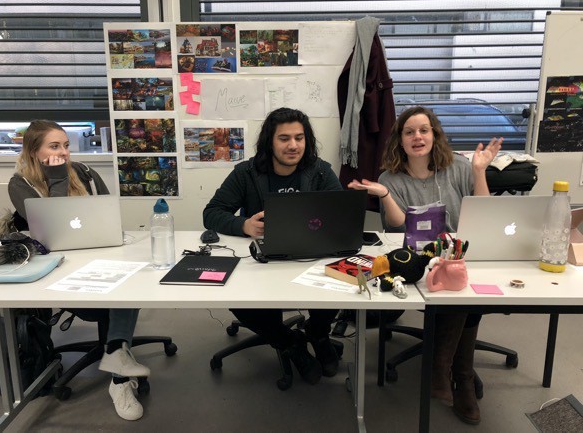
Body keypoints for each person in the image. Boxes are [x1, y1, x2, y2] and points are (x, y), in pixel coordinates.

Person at [348, 106, 503, 425]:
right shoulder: (390, 178)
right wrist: (385, 194)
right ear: (400, 140)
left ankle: (446, 371)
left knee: (461, 288)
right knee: (460, 294)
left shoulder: (459, 167)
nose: (417, 137)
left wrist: (479, 171)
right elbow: (396, 225)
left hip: (459, 254)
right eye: (409, 132)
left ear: (434, 135)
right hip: (417, 260)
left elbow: (484, 212)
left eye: (423, 130)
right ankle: (456, 376)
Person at [7, 120, 149, 421]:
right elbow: (52, 229)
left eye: (66, 146)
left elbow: (110, 215)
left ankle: (118, 374)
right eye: (54, 146)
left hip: (99, 256)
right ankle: (119, 359)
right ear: (33, 151)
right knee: (118, 294)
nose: (64, 152)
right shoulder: (20, 184)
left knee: (131, 280)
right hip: (57, 268)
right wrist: (57, 177)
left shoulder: (85, 173)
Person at [203, 107, 342, 384]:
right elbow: (212, 213)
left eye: (299, 138)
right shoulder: (246, 172)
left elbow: (341, 212)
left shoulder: (319, 171)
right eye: (284, 138)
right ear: (270, 141)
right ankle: (288, 341)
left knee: (337, 283)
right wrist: (244, 225)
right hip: (262, 259)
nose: (293, 145)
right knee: (235, 296)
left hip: (309, 254)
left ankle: (318, 333)